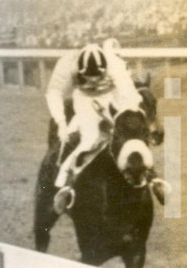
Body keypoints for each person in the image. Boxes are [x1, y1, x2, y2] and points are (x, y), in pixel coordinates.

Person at [46, 40, 144, 214]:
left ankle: (149, 176)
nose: (94, 81)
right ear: (80, 69)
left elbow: (129, 94)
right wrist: (61, 122)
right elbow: (53, 92)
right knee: (91, 139)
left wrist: (128, 117)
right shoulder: (67, 63)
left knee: (128, 133)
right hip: (84, 98)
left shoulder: (114, 63)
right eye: (89, 76)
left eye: (98, 76)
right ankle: (66, 185)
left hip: (112, 94)